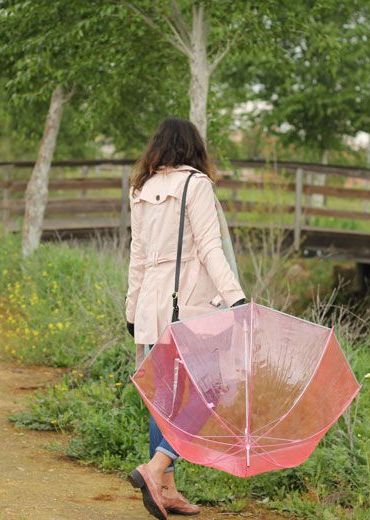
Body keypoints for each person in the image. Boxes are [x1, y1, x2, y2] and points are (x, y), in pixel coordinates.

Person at [125, 117, 246, 519]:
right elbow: (211, 249)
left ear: (156, 148)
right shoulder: (197, 185)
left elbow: (137, 258)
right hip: (191, 305)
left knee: (164, 402)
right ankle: (157, 467)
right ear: (194, 148)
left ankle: (166, 488)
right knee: (213, 390)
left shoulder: (140, 188)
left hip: (150, 306)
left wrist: (131, 310)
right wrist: (237, 298)